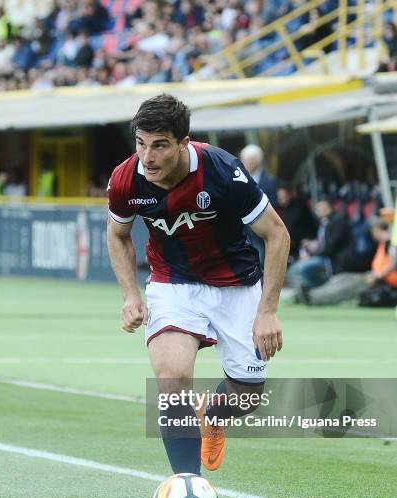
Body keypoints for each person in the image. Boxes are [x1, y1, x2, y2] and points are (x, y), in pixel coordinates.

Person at [107, 94, 289, 477]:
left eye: (159, 145)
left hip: (236, 286)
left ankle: (213, 413)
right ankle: (187, 486)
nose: (148, 157)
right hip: (173, 284)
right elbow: (118, 234)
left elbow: (277, 234)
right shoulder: (126, 178)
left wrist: (267, 311)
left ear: (183, 142)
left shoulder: (222, 170)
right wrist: (130, 295)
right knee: (172, 382)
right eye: (141, 144)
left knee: (246, 396)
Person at [295, 217, 397, 306]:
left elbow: (394, 264)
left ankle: (313, 298)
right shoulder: (384, 243)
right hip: (375, 275)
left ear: (377, 229)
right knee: (342, 279)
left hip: (382, 280)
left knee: (347, 287)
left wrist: (377, 276)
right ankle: (312, 292)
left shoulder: (390, 243)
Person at [287, 198, 352, 289]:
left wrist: (312, 255)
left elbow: (330, 247)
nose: (320, 211)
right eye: (318, 209)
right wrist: (311, 244)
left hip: (332, 259)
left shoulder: (338, 222)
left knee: (301, 269)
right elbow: (321, 242)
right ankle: (306, 290)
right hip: (323, 256)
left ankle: (318, 287)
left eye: (323, 208)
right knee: (294, 269)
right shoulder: (323, 223)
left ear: (330, 208)